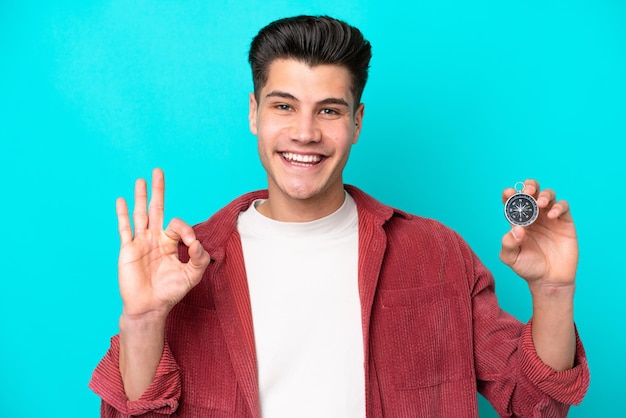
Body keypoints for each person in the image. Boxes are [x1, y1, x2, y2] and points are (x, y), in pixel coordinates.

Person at [89, 15, 589, 418]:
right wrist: (145, 320)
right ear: (253, 114)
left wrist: (552, 293)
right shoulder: (182, 266)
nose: (304, 132)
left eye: (329, 110)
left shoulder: (436, 254)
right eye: (284, 106)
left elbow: (535, 406)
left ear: (357, 122)